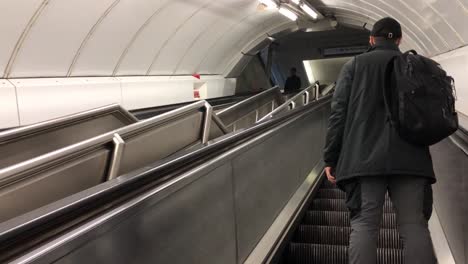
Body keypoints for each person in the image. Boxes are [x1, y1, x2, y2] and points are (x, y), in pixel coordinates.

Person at [323, 17, 437, 264]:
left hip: (363, 159)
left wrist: (331, 157)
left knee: (364, 226)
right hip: (411, 158)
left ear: (371, 39)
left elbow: (338, 114)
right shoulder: (414, 65)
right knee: (414, 226)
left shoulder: (354, 66)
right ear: (398, 40)